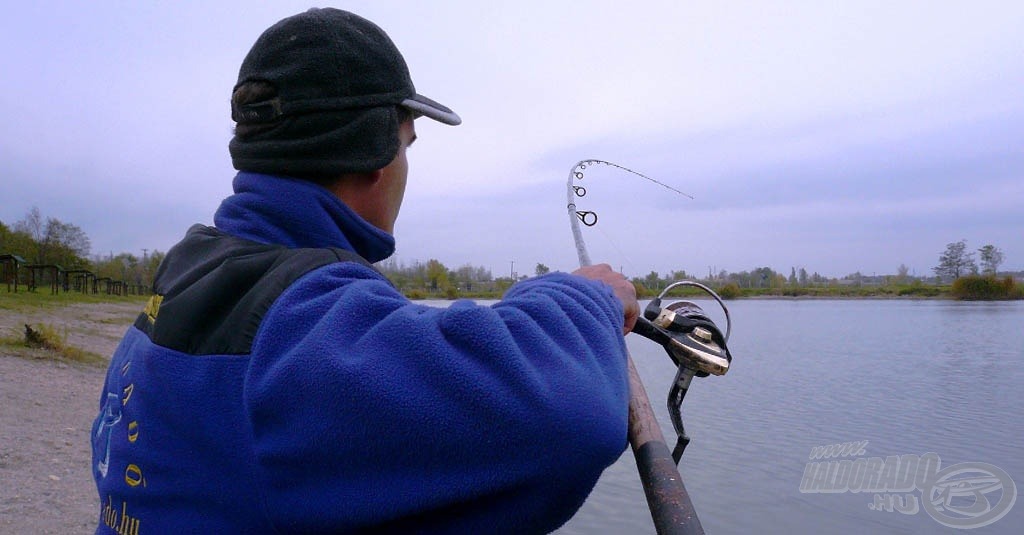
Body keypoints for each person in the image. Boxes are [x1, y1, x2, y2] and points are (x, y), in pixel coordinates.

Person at [92, 8, 639, 534]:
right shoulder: (295, 323)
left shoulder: (189, 274)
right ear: (376, 152)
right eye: (406, 145)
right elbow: (569, 416)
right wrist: (586, 298)